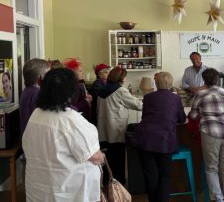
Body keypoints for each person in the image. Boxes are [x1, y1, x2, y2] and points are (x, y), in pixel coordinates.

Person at [22, 68, 104, 201]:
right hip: (68, 192)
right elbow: (94, 156)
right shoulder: (70, 119)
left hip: (40, 191)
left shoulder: (36, 114)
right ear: (71, 91)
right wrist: (102, 157)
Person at [130, 72, 186, 202]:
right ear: (171, 84)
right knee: (165, 175)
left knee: (151, 175)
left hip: (145, 138)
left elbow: (144, 117)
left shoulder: (148, 97)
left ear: (156, 83)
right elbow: (182, 119)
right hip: (164, 140)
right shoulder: (176, 98)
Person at [189, 68, 224, 202]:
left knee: (211, 168)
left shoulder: (200, 94)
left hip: (210, 133)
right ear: (217, 80)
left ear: (204, 80)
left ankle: (217, 199)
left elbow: (192, 115)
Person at [97, 66, 143, 184]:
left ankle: (109, 182)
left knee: (108, 157)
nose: (126, 78)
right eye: (125, 76)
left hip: (103, 127)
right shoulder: (120, 90)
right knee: (118, 157)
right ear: (121, 78)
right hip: (116, 128)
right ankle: (119, 184)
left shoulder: (103, 89)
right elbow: (137, 105)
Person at [19, 58, 49, 134]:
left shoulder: (27, 90)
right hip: (34, 136)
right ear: (41, 78)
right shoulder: (37, 93)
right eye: (48, 74)